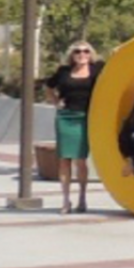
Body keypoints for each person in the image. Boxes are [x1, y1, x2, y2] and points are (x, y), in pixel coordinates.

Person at [45, 41, 103, 214]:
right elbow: (49, 86)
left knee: (80, 159)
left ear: (91, 54)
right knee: (64, 159)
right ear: (72, 54)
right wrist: (56, 102)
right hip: (66, 116)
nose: (82, 54)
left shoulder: (96, 69)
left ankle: (82, 198)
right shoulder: (64, 71)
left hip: (85, 117)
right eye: (77, 51)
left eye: (86, 51)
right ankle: (65, 200)